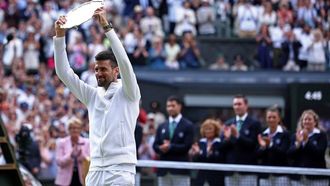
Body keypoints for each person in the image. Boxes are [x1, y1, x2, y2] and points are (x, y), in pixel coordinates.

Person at [54, 7, 141, 186]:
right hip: (94, 170)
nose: (98, 73)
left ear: (116, 71)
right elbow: (64, 73)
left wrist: (107, 28)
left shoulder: (129, 92)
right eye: (96, 69)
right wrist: (60, 36)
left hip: (120, 170)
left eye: (103, 69)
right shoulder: (92, 95)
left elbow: (125, 62)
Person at [153, 96, 194, 186]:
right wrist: (161, 148)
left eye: (173, 105)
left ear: (180, 106)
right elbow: (155, 145)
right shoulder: (162, 126)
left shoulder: (188, 125)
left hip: (180, 170)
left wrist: (170, 147)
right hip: (164, 170)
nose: (170, 108)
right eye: (168, 106)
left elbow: (187, 146)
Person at [223, 94, 261, 186]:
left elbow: (253, 145)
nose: (237, 106)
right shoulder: (228, 123)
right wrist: (227, 139)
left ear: (246, 105)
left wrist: (238, 136)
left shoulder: (255, 123)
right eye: (235, 104)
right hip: (231, 171)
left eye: (239, 104)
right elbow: (222, 147)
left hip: (247, 170)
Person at [288, 109, 328, 186]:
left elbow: (319, 153)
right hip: (298, 178)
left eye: (309, 119)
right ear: (302, 122)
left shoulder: (321, 135)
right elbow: (289, 154)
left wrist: (306, 141)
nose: (307, 121)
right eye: (305, 119)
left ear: (315, 122)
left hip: (317, 177)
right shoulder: (295, 136)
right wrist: (298, 144)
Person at [257, 106, 290, 186]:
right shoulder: (262, 134)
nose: (271, 119)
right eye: (269, 117)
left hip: (281, 175)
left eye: (274, 117)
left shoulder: (285, 134)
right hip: (265, 175)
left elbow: (285, 153)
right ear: (266, 119)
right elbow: (257, 155)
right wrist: (263, 147)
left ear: (279, 119)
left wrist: (270, 144)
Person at [55, 117, 90, 186]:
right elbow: (59, 162)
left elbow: (88, 160)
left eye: (77, 128)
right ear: (68, 129)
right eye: (73, 128)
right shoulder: (61, 142)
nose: (75, 130)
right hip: (64, 180)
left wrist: (80, 154)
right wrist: (70, 155)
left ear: (80, 129)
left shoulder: (86, 142)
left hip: (82, 178)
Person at [190, 119, 225, 186]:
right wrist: (197, 154)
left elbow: (221, 159)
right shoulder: (200, 143)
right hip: (202, 178)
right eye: (206, 129)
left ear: (215, 130)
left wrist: (210, 154)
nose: (208, 131)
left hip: (217, 178)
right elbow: (196, 161)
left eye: (210, 129)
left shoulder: (220, 143)